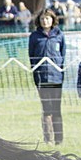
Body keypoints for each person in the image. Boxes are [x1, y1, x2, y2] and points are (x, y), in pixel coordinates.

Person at [28, 8, 65, 144]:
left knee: (56, 109)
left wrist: (60, 72)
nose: (45, 21)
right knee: (46, 109)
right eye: (43, 18)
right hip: (42, 78)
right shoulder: (35, 36)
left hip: (56, 78)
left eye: (48, 18)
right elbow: (31, 56)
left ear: (52, 19)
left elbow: (63, 55)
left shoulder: (59, 35)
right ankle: (48, 139)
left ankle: (59, 140)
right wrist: (36, 74)